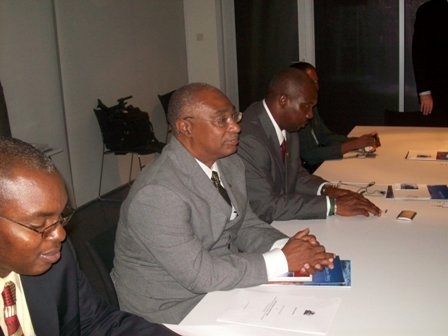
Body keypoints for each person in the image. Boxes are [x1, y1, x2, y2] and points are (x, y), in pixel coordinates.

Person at [111, 83, 335, 324]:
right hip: (172, 310)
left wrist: (286, 246)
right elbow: (200, 275)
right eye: (222, 120)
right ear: (185, 127)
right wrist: (282, 261)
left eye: (234, 116)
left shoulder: (229, 163)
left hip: (218, 288)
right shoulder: (157, 194)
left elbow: (245, 223)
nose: (236, 127)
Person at [0, 136, 178, 336]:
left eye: (61, 217)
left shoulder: (56, 259)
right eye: (39, 225)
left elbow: (95, 323)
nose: (60, 234)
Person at [237, 68, 381, 224]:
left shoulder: (287, 123)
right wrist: (332, 205)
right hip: (256, 229)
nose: (310, 115)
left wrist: (328, 190)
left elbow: (295, 174)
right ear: (283, 100)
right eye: (306, 106)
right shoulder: (250, 138)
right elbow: (265, 206)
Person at [290, 62, 379, 172]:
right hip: (305, 172)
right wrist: (353, 145)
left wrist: (357, 141)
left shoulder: (311, 106)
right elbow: (310, 155)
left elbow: (326, 137)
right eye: (311, 82)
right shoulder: (293, 114)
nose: (316, 86)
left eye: (317, 82)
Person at [412, 0, 448, 123]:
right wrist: (424, 92)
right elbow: (419, 54)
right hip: (438, 92)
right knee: (435, 135)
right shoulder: (428, 10)